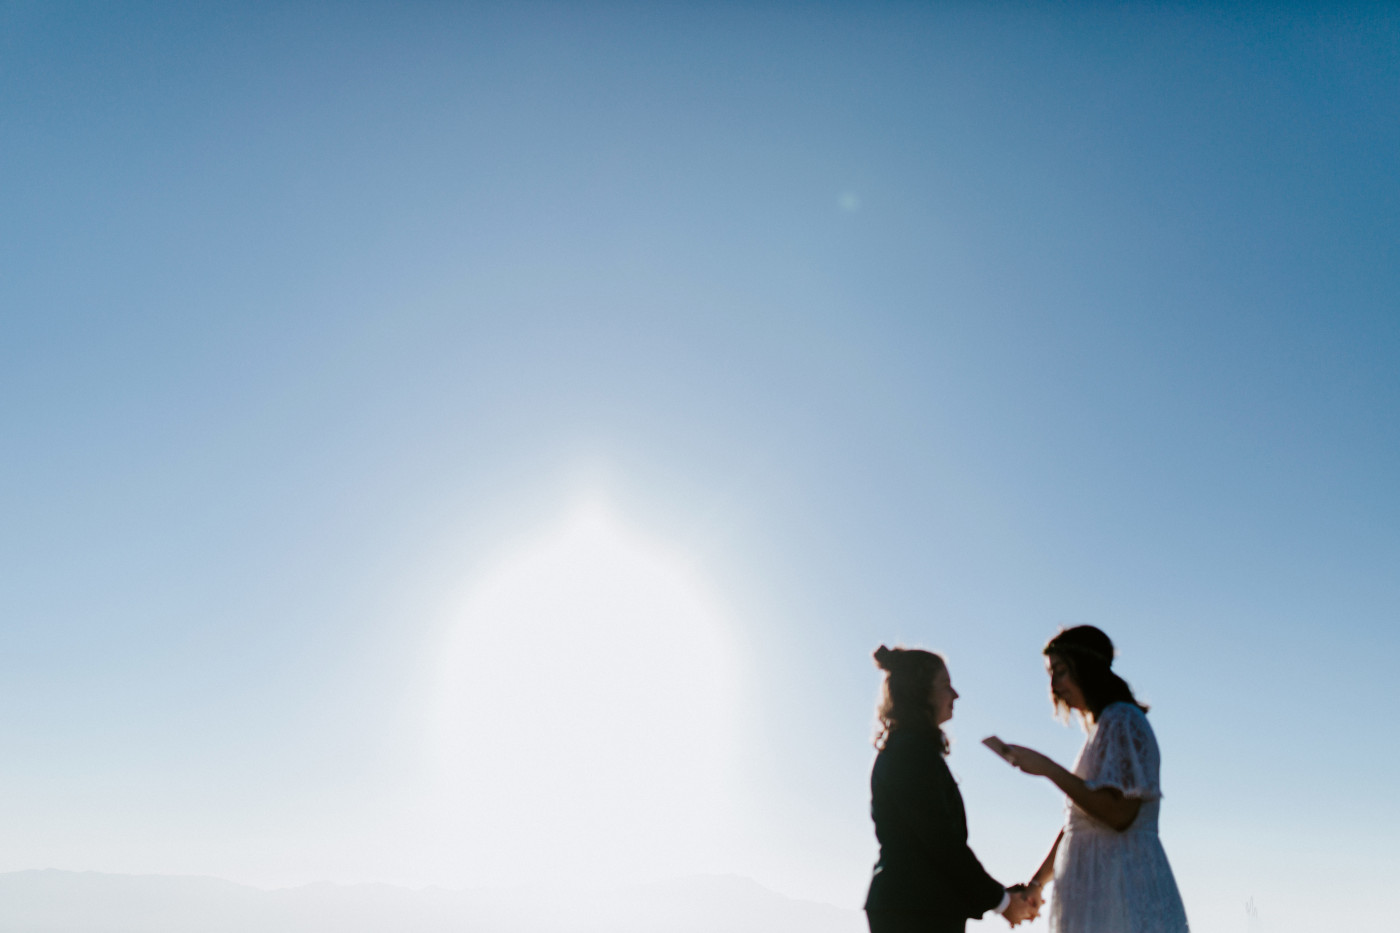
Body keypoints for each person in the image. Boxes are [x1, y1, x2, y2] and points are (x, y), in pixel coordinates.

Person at [1002, 626, 1189, 933]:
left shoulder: (1122, 721)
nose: (1054, 685)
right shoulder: (1103, 729)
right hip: (1095, 894)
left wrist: (1048, 768)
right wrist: (1037, 883)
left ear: (1086, 669)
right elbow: (1080, 821)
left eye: (1060, 672)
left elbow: (1119, 814)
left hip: (1121, 890)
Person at [865, 645, 1036, 932]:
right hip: (914, 911)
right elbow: (942, 844)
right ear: (920, 693)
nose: (955, 695)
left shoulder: (911, 750)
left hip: (914, 907)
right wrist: (1003, 902)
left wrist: (1001, 896)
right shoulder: (911, 752)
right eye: (946, 686)